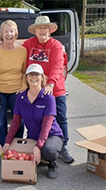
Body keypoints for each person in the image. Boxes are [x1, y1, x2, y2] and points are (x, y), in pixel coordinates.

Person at [22, 16, 74, 164]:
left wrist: (50, 84)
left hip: (55, 89)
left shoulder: (56, 45)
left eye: (45, 28)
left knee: (61, 118)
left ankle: (64, 148)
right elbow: (18, 56)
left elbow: (57, 66)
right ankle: (35, 145)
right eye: (39, 28)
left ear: (50, 30)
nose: (42, 30)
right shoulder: (28, 44)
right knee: (35, 119)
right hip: (34, 90)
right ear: (35, 31)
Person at [3, 64, 64, 179]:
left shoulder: (48, 98)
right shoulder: (21, 98)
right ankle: (40, 157)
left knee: (48, 150)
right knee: (26, 153)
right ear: (26, 78)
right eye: (31, 74)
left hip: (52, 135)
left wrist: (38, 147)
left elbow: (47, 125)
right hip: (33, 137)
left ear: (42, 78)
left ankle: (52, 163)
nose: (34, 77)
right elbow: (15, 121)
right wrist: (8, 141)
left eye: (37, 74)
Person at [0, 20, 27, 147]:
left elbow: (24, 72)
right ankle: (3, 150)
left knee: (19, 121)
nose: (9, 34)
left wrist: (23, 86)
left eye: (11, 31)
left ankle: (18, 148)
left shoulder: (23, 51)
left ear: (16, 33)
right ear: (1, 34)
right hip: (0, 91)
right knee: (1, 122)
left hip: (17, 91)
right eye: (6, 31)